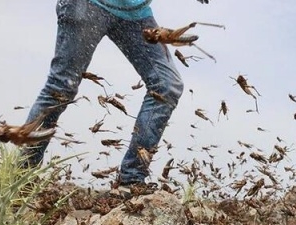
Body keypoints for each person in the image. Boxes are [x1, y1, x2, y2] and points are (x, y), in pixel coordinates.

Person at [20, 0, 207, 196]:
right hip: (87, 5)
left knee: (167, 86)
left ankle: (132, 180)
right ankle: (21, 177)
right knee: (61, 88)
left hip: (135, 13)